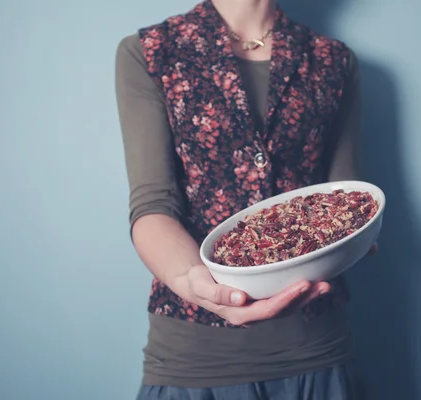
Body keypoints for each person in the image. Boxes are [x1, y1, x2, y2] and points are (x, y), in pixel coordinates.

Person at [115, 0, 377, 398]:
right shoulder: (150, 50)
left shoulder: (333, 60)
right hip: (196, 358)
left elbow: (344, 199)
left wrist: (363, 235)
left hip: (316, 350)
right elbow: (153, 205)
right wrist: (194, 281)